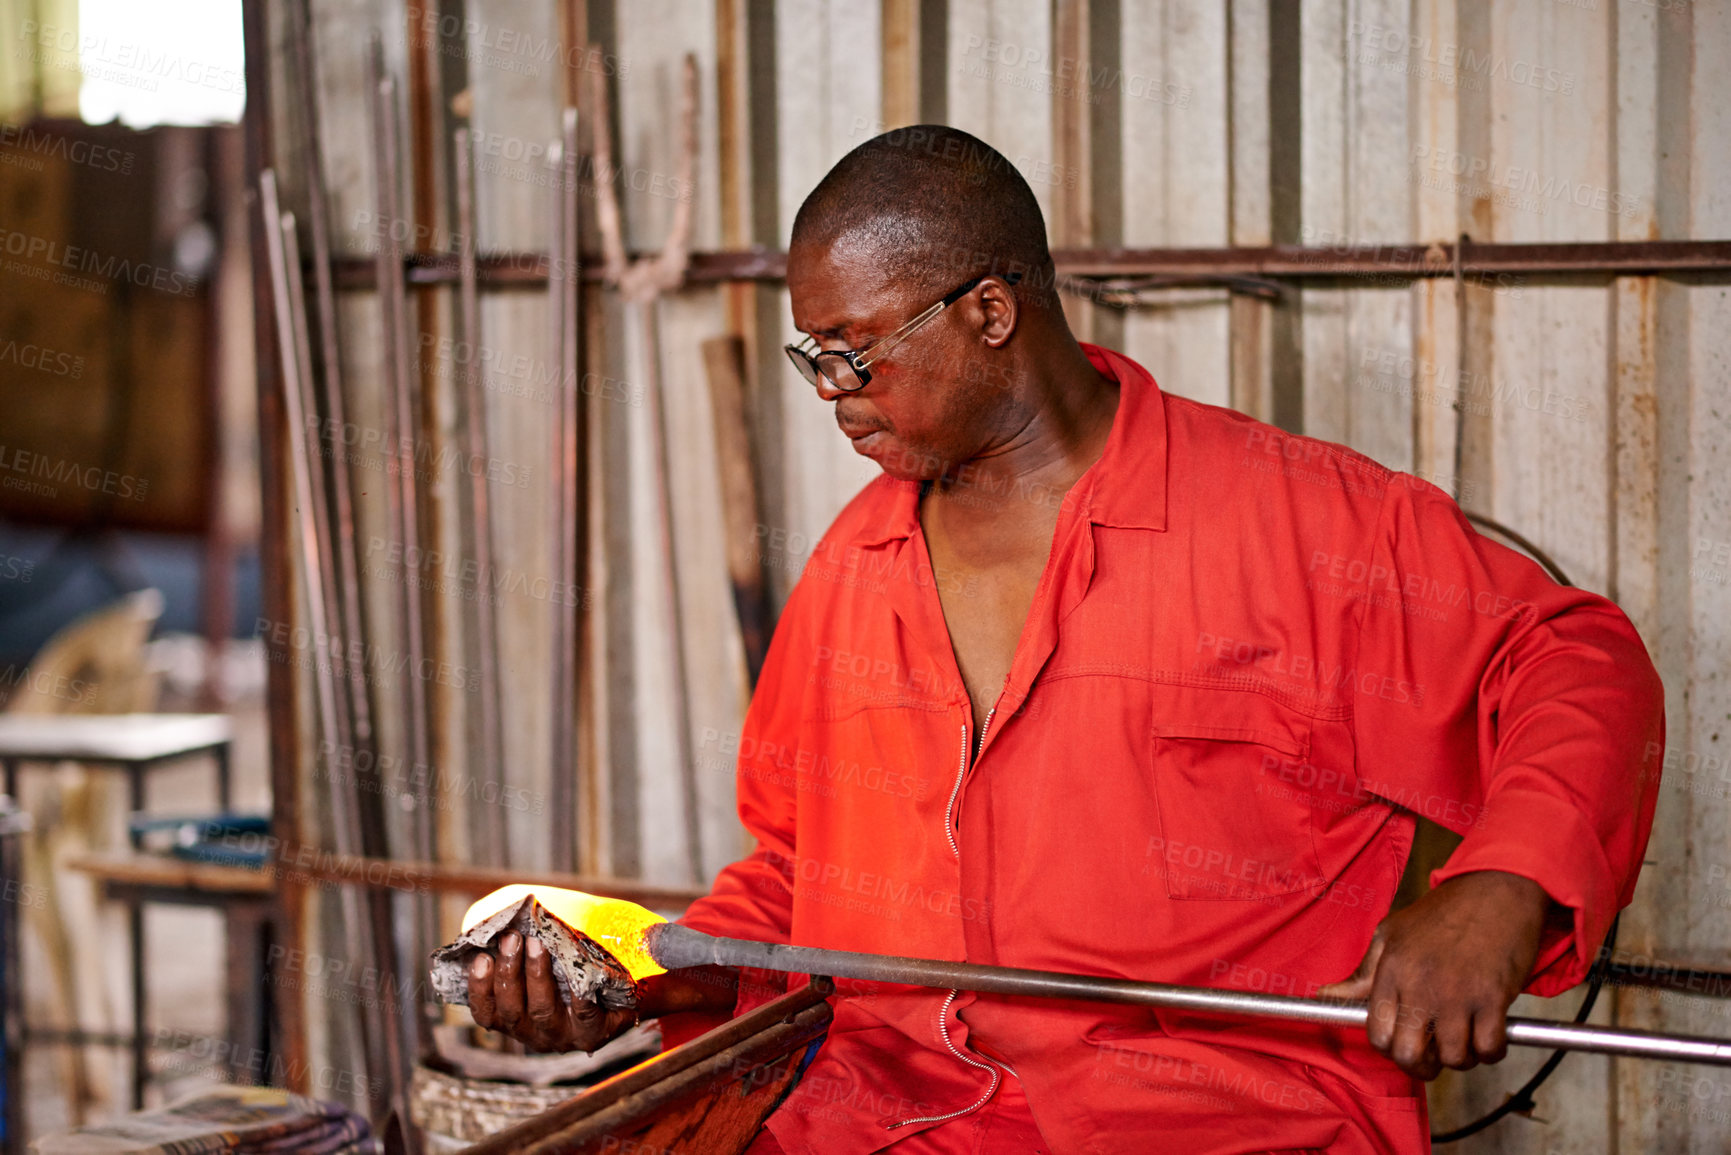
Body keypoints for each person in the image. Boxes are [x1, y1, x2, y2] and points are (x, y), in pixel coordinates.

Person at [467, 126, 1664, 1154]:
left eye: (857, 351)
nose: (832, 389)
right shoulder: (854, 568)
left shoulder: (1298, 524)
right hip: (880, 1121)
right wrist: (634, 975)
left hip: (1218, 1123)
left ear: (991, 311)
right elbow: (797, 879)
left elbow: (1575, 660)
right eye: (811, 356)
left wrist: (1499, 894)